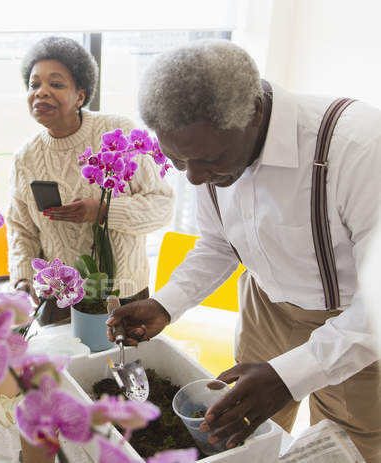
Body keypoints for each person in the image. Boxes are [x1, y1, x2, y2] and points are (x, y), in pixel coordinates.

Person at [107, 39, 381, 461]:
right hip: (266, 310)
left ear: (253, 113)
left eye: (208, 160)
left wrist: (289, 375)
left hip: (355, 324)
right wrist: (165, 303)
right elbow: (219, 244)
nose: (196, 179)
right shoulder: (202, 153)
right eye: (180, 163)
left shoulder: (358, 147)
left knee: (350, 444)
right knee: (245, 434)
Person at [7, 36, 173, 324]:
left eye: (56, 84)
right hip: (59, 299)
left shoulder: (117, 132)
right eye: (35, 84)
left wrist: (104, 211)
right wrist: (22, 278)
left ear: (80, 96)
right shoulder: (25, 158)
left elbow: (162, 206)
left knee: (121, 367)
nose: (41, 92)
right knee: (62, 369)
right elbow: (22, 229)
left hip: (123, 295)